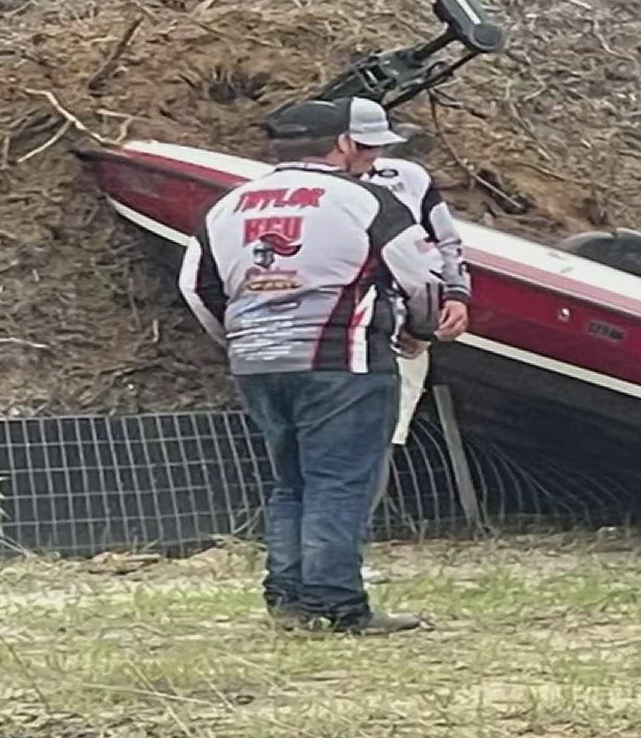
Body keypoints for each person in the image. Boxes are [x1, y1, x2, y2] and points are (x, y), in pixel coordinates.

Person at [179, 97, 444, 634]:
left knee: (290, 481)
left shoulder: (229, 205)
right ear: (344, 144)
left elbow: (196, 287)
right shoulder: (365, 199)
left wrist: (238, 340)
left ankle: (288, 599)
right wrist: (419, 333)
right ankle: (339, 603)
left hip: (257, 361)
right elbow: (423, 279)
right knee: (341, 480)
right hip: (342, 358)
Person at [344, 100, 472, 474]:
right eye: (365, 146)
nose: (374, 154)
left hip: (399, 325)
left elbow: (445, 241)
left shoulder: (407, 177)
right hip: (334, 331)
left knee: (383, 435)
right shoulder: (308, 185)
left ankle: (354, 529)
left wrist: (456, 296)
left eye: (379, 144)